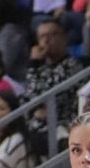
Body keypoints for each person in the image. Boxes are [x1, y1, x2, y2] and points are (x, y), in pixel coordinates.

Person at [23, 19, 82, 147]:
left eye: (52, 35)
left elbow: (53, 100)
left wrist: (34, 66)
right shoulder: (39, 68)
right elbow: (27, 101)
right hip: (37, 128)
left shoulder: (72, 66)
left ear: (64, 38)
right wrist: (34, 65)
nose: (46, 40)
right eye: (42, 37)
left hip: (62, 125)